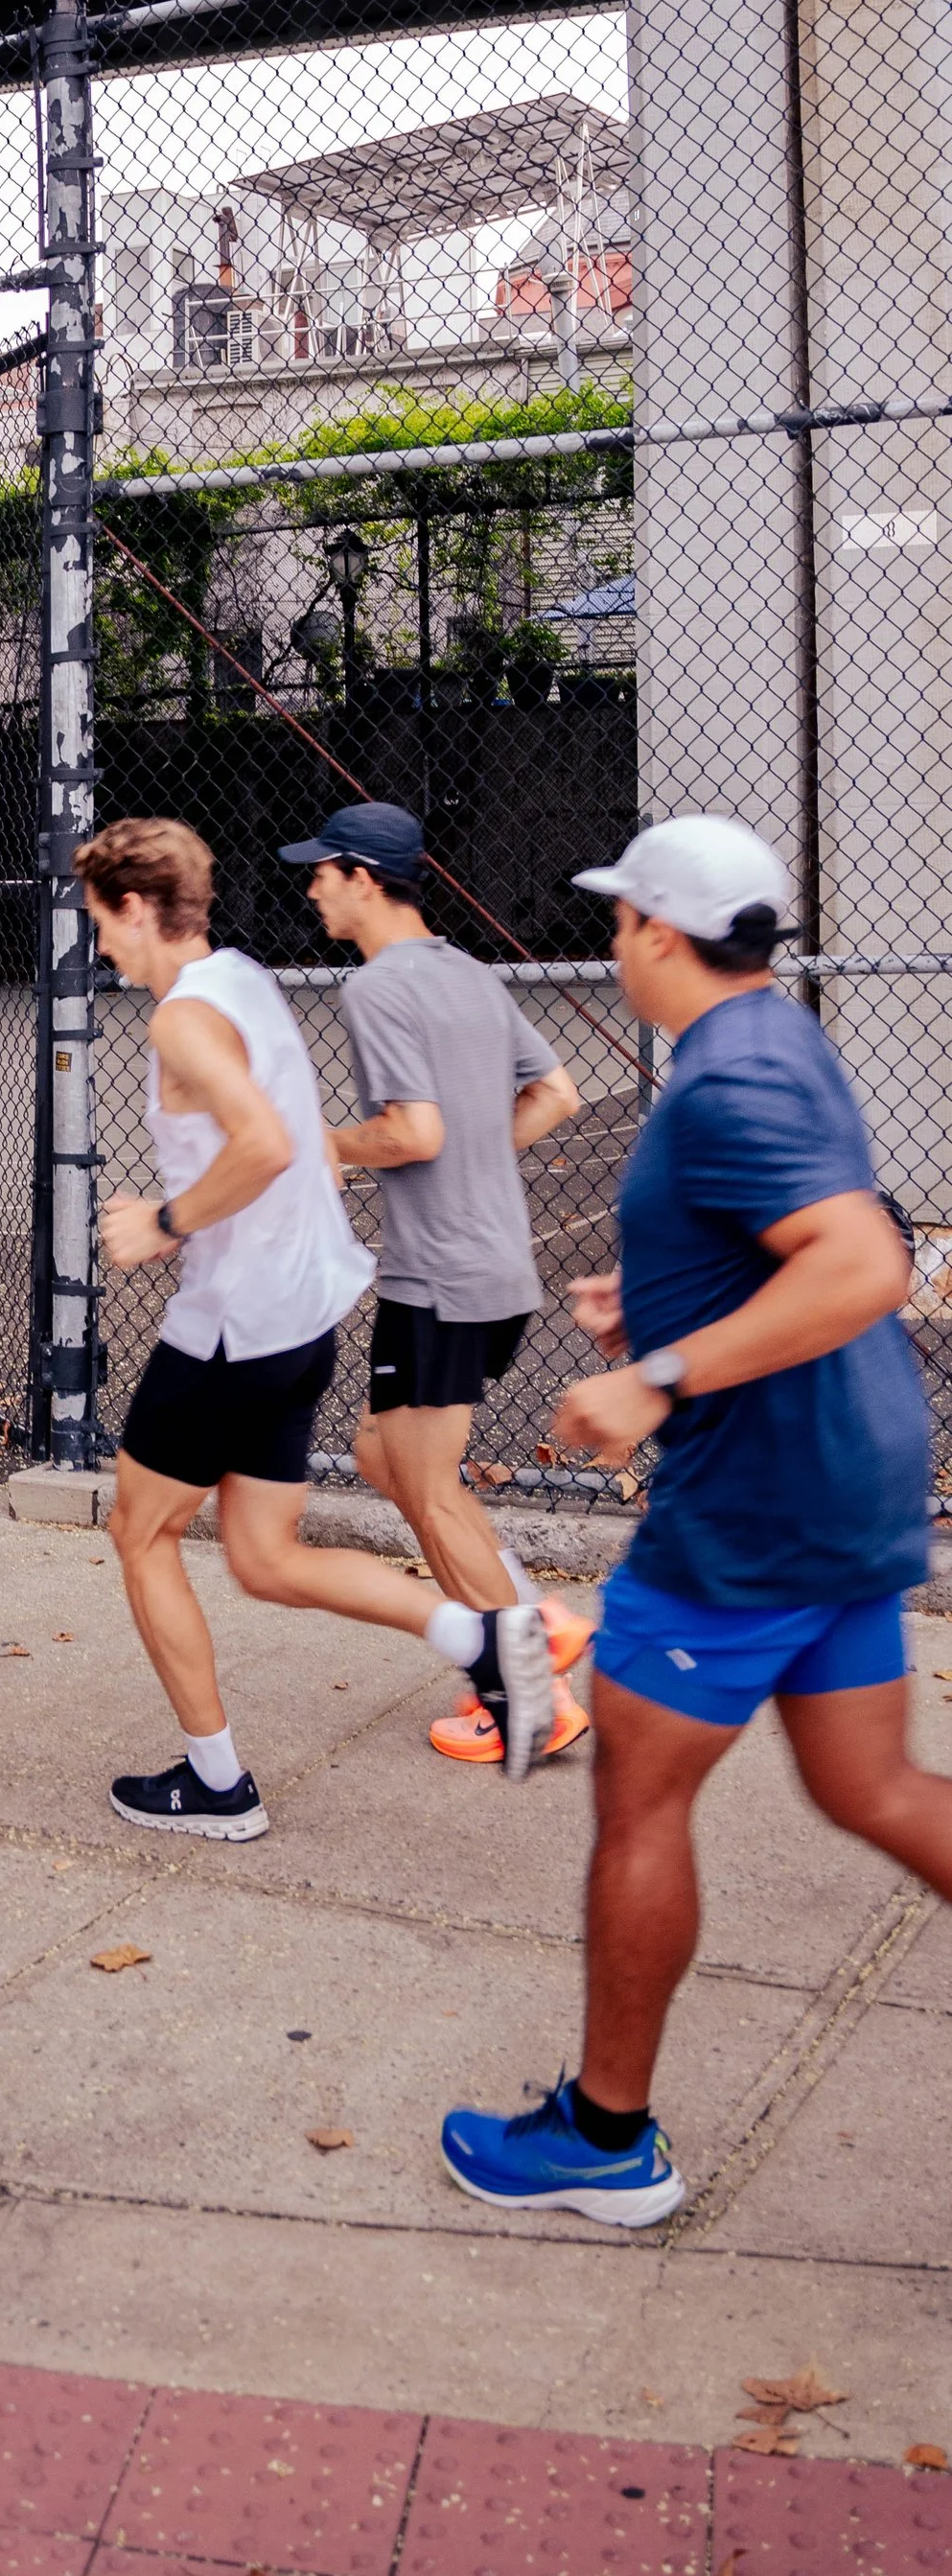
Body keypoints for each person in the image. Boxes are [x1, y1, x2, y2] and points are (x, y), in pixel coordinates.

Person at [442, 818, 952, 2226]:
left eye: (620, 926)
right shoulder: (779, 1039)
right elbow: (791, 1234)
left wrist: (653, 1375)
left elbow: (861, 1261)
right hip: (842, 1479)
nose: (610, 951)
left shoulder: (727, 1078)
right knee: (872, 1789)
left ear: (663, 934)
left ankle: (605, 2140)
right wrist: (660, 1300)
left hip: (752, 1512)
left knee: (640, 1803)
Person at [84, 815, 554, 1839]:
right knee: (262, 1556)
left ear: (133, 906)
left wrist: (163, 1222)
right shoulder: (243, 979)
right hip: (303, 1319)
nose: (101, 945)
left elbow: (261, 1143)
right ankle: (477, 1638)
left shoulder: (179, 1021)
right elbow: (287, 1137)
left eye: (101, 922)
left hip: (230, 1326)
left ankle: (216, 1786)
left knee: (141, 1533)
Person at [282, 801, 594, 1765]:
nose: (310, 889)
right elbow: (558, 1092)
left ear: (363, 880)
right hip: (489, 1264)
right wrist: (476, 1165)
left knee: (423, 1486)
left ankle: (526, 1693)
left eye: (322, 872)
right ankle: (534, 1622)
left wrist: (314, 1144)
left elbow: (410, 1132)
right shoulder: (466, 971)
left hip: (439, 1276)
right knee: (383, 1459)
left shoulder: (377, 988)